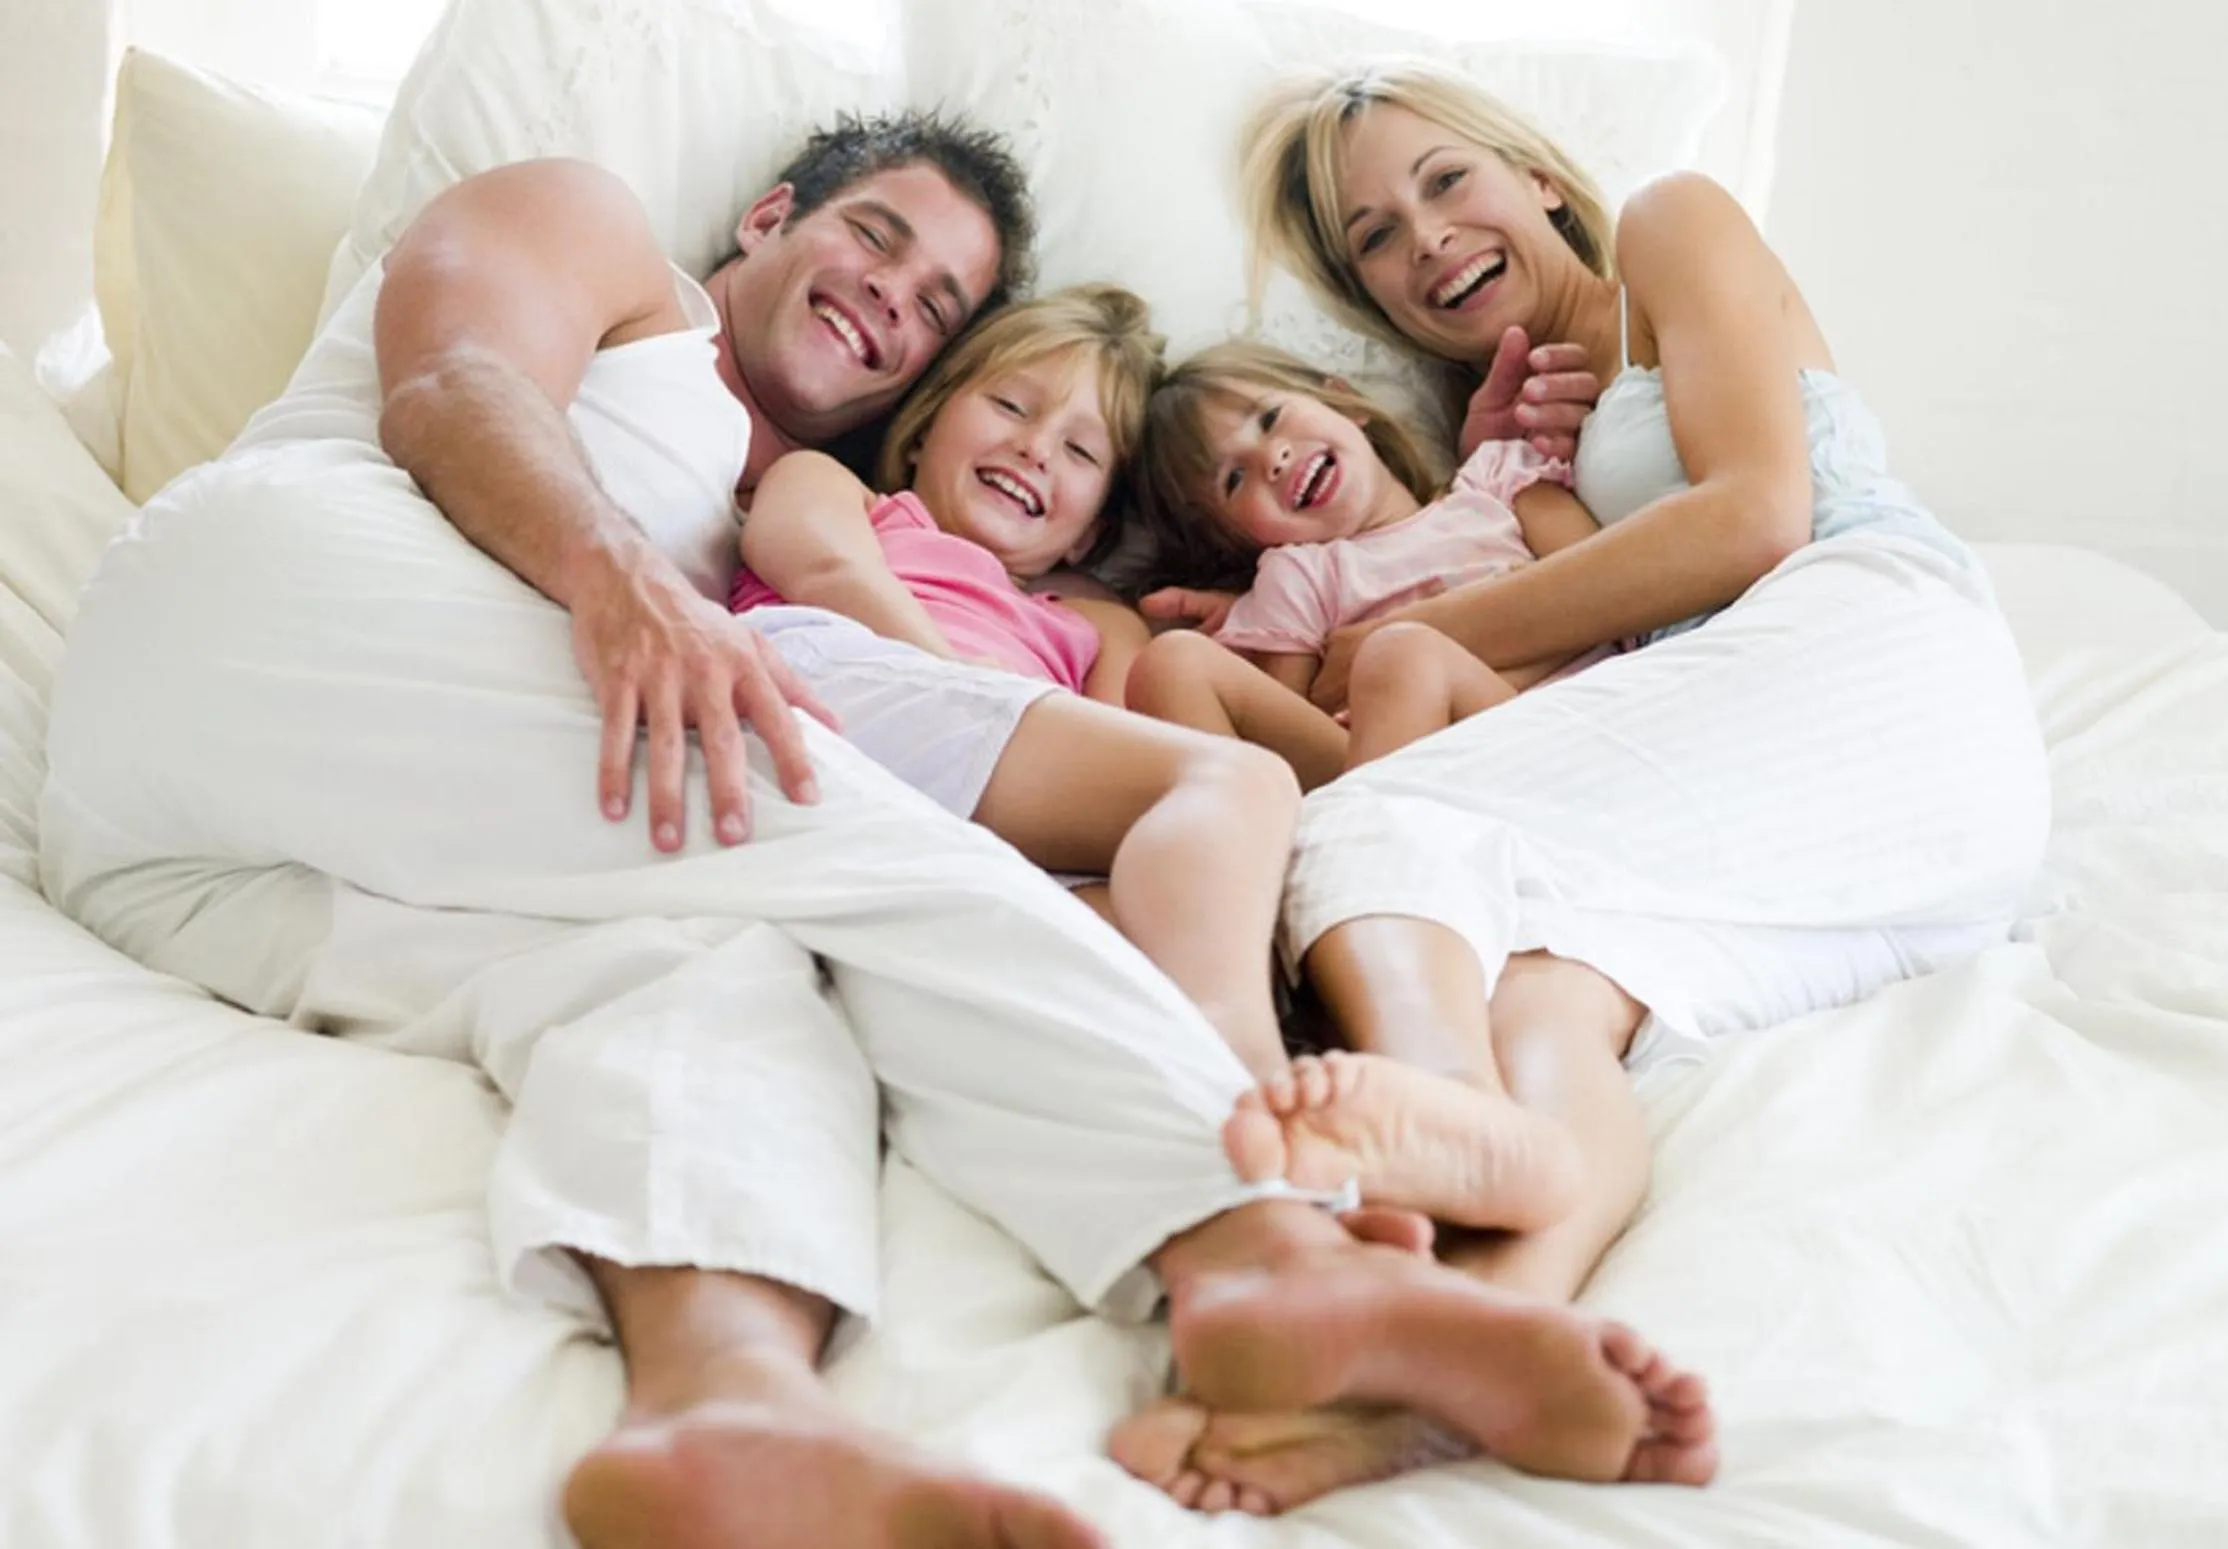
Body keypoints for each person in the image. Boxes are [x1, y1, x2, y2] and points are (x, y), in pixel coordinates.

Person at [36, 109, 1717, 1548]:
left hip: (195, 876)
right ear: (767, 217)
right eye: (871, 235)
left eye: (937, 305)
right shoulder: (610, 246)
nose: (890, 298)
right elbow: (455, 379)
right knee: (805, 812)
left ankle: (723, 1403)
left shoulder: (786, 516)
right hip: (270, 600)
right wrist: (623, 585)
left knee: (702, 965)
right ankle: (1258, 1249)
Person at [1109, 61, 2051, 1513]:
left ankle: (1440, 1118)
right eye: (1372, 238)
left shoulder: (1669, 231)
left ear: (1535, 174)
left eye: (1442, 181)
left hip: (1868, 642)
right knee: (1544, 992)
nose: (1422, 240)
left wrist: (1390, 644)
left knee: (1368, 816)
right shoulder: (1498, 428)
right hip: (1846, 803)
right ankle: (1478, 1338)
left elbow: (1753, 515)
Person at [733, 285, 1301, 1079]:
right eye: (1010, 404)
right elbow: (816, 559)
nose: (1036, 447)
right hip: (831, 689)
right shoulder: (848, 494)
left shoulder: (1095, 627)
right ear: (927, 421)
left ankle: (1237, 1131)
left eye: (1081, 452)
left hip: (974, 822)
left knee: (1174, 909)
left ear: (1094, 529)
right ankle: (1252, 1070)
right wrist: (948, 664)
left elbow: (1122, 793)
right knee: (1242, 783)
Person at [1124, 339, 1614, 790]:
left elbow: (1616, 599)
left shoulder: (1496, 481)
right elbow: (1295, 729)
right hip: (1395, 771)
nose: (1272, 458)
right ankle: (1259, 842)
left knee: (1402, 656)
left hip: (1555, 732)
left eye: (1271, 418)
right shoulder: (1298, 577)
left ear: (1344, 402)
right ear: (1233, 538)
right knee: (1171, 663)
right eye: (1233, 479)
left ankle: (1365, 844)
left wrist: (1411, 680)